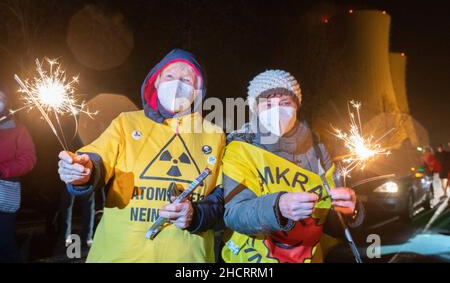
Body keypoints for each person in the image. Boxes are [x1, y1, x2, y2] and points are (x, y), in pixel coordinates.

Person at [57, 49, 225, 262]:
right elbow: (97, 159)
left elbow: (223, 200)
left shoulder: (214, 135)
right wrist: (84, 170)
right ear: (156, 82)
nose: (176, 84)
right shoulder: (126, 123)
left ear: (197, 89)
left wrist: (196, 215)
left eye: (186, 79)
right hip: (119, 255)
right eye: (170, 77)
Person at [221, 70, 361, 263]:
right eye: (268, 104)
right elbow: (234, 214)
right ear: (255, 109)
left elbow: (329, 221)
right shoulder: (240, 148)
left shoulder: (318, 150)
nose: (277, 110)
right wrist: (278, 207)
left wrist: (350, 211)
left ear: (297, 106)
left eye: (285, 103)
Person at [0, 84, 37, 263]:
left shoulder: (18, 128)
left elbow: (28, 159)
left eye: (1, 99)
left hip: (4, 195)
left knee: (5, 244)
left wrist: (3, 170)